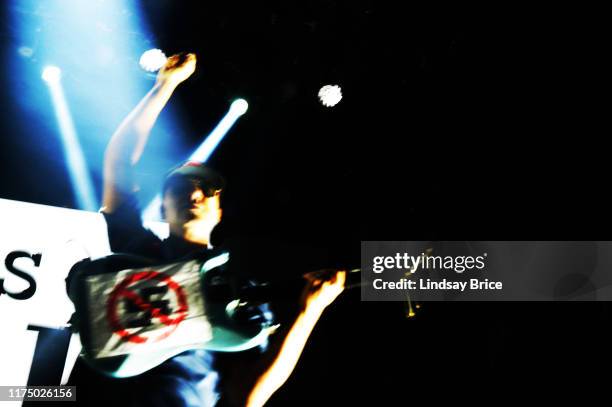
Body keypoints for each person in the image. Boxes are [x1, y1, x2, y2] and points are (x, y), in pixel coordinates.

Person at [69, 52, 346, 407]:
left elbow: (248, 396)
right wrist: (164, 85)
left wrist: (310, 312)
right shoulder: (139, 251)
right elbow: (118, 164)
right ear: (163, 206)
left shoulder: (239, 289)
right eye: (179, 189)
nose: (195, 193)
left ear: (220, 211)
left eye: (207, 189)